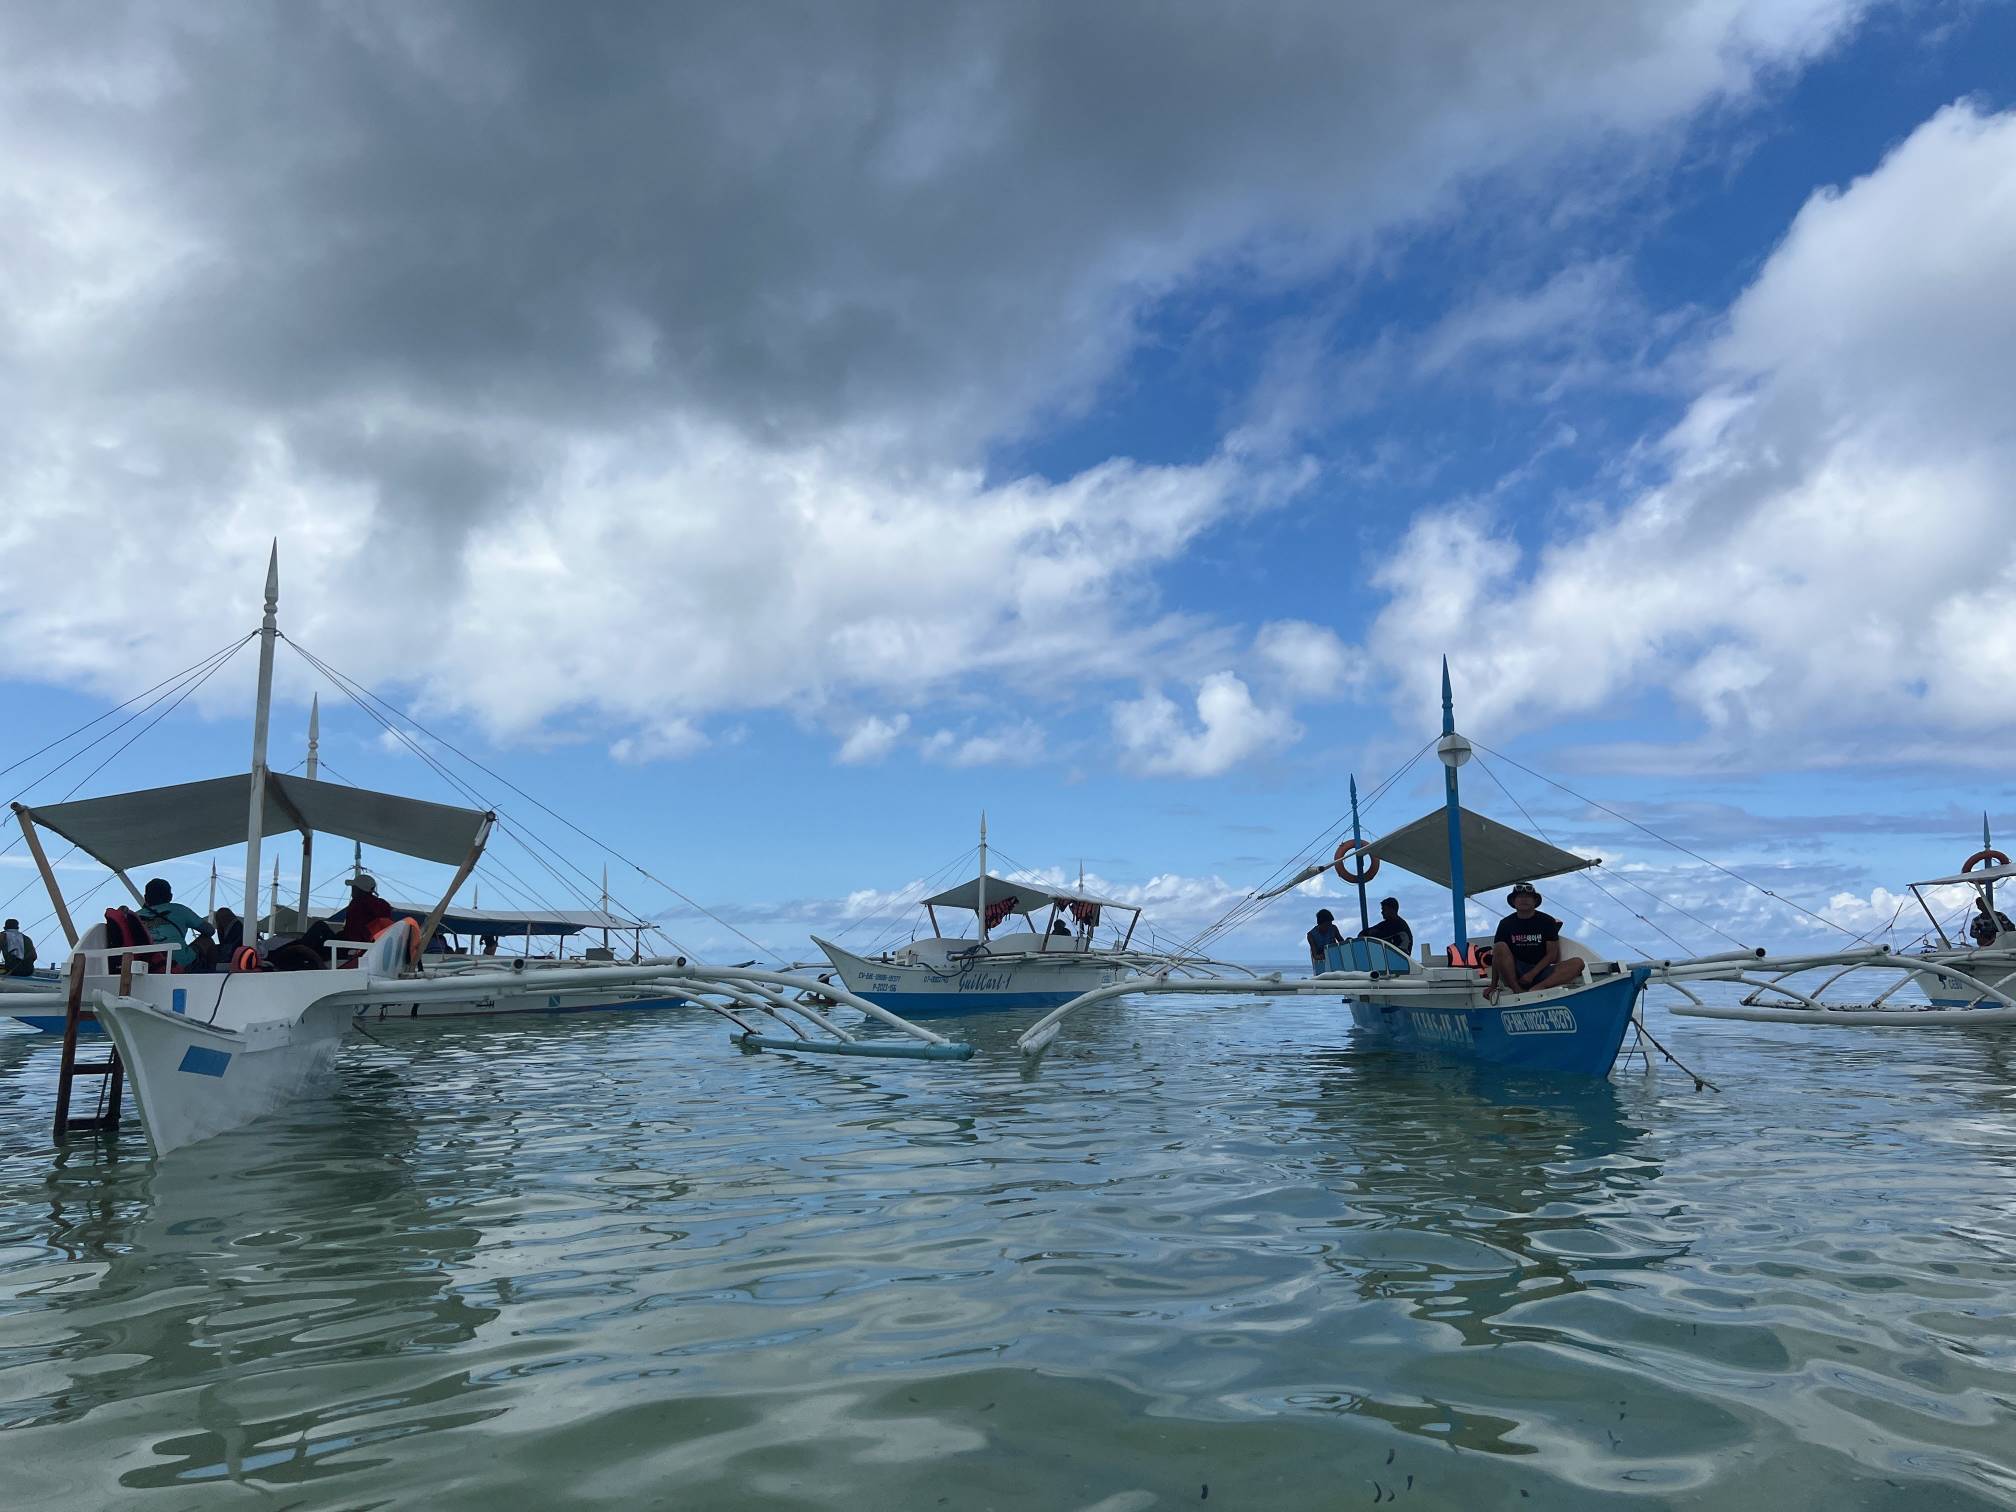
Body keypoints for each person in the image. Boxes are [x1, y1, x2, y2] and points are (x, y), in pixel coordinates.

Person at [1484, 882, 1583, 1001]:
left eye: (1528, 897)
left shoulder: (1547, 921)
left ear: (1535, 901)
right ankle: (1517, 991)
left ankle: (1538, 988)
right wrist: (1493, 985)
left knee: (1578, 963)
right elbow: (1497, 956)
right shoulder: (1505, 923)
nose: (1524, 900)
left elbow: (1552, 954)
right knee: (1499, 946)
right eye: (1520, 897)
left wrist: (1532, 974)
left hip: (1542, 970)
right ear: (1514, 901)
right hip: (1514, 972)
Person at [135, 878, 215, 971]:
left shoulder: (135, 916)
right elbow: (210, 931)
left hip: (146, 964)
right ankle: (212, 972)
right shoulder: (179, 909)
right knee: (207, 940)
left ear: (145, 897)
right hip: (177, 963)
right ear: (170, 897)